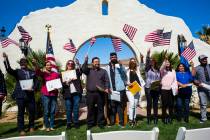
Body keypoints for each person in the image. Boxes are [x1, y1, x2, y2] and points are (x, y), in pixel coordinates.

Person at [3, 53, 36, 136]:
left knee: (31, 112)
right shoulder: (17, 72)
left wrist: (33, 88)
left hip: (30, 95)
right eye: (21, 63)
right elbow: (9, 70)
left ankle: (31, 126)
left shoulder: (32, 72)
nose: (22, 64)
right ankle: (21, 129)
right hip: (20, 96)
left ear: (27, 63)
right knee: (20, 113)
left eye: (24, 62)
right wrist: (6, 59)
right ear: (20, 64)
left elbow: (36, 81)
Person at [82, 56, 110, 129]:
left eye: (98, 61)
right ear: (92, 63)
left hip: (100, 93)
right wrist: (85, 60)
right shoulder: (89, 70)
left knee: (100, 109)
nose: (97, 63)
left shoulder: (103, 71)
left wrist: (106, 88)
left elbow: (107, 80)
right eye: (95, 62)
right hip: (90, 94)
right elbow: (83, 69)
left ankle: (100, 123)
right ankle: (90, 123)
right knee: (90, 109)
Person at [32, 59, 60, 131]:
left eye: (50, 65)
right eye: (47, 65)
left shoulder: (55, 74)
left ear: (51, 66)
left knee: (52, 111)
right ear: (45, 66)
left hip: (54, 94)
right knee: (46, 111)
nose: (49, 66)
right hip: (45, 94)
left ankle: (51, 125)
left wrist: (58, 87)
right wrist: (35, 64)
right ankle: (47, 126)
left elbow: (59, 83)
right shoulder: (43, 74)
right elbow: (37, 71)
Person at [105, 52, 127, 127]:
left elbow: (124, 75)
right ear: (110, 58)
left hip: (120, 89)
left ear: (116, 57)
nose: (113, 58)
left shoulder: (120, 66)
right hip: (111, 90)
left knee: (120, 107)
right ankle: (112, 122)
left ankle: (121, 122)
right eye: (112, 57)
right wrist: (107, 87)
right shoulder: (107, 67)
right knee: (112, 107)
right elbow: (106, 78)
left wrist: (120, 66)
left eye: (115, 57)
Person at [62, 60, 83, 129]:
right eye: (69, 63)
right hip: (67, 94)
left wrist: (78, 64)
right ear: (67, 65)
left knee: (76, 109)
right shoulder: (63, 73)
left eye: (72, 63)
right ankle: (69, 123)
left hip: (76, 93)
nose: (70, 64)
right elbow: (62, 84)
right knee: (68, 109)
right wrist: (67, 82)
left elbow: (81, 71)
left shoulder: (76, 72)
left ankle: (76, 122)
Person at [126, 57, 145, 126]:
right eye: (132, 61)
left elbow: (142, 67)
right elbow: (124, 79)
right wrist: (128, 83)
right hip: (130, 90)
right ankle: (131, 120)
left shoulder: (137, 70)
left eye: (134, 62)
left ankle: (134, 119)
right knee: (132, 104)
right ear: (129, 63)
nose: (133, 63)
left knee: (135, 105)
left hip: (137, 89)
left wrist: (142, 59)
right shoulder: (126, 71)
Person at [143, 49, 161, 124]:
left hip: (156, 88)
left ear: (155, 62)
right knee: (149, 104)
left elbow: (159, 78)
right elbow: (147, 60)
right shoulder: (147, 68)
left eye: (153, 61)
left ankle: (155, 118)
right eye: (151, 61)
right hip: (148, 88)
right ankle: (149, 119)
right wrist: (148, 53)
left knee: (155, 104)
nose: (152, 62)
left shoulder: (158, 70)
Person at [160, 58, 178, 124]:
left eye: (168, 62)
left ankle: (170, 118)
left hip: (171, 89)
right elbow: (161, 68)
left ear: (170, 64)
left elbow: (175, 80)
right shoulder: (163, 71)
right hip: (164, 89)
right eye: (166, 62)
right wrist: (164, 61)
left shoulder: (173, 71)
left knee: (171, 104)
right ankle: (164, 118)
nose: (167, 63)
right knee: (164, 104)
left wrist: (175, 88)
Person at [194, 55, 210, 123]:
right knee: (203, 104)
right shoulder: (196, 68)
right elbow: (193, 78)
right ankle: (203, 118)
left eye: (205, 59)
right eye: (203, 59)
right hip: (202, 88)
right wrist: (196, 82)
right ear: (200, 60)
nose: (205, 60)